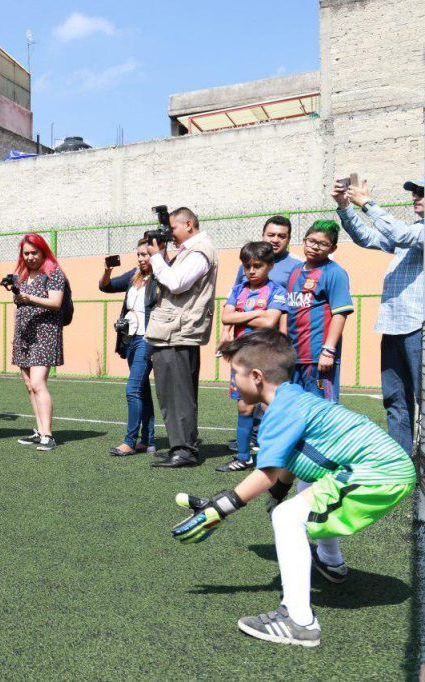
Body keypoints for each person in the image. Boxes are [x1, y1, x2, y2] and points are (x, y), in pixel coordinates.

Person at [173, 329, 415, 647]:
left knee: (288, 517)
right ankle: (330, 561)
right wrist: (277, 494)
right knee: (308, 486)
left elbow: (268, 472)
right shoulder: (294, 398)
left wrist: (217, 511)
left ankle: (299, 622)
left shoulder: (279, 411)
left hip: (380, 473)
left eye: (235, 374)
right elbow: (294, 459)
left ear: (257, 377)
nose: (231, 383)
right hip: (379, 467)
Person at [332, 177, 423, 455]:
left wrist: (367, 203)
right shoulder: (414, 228)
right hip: (396, 323)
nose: (416, 196)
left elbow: (401, 236)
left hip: (420, 326)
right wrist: (345, 206)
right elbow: (368, 238)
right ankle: (401, 463)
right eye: (415, 192)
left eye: (422, 192)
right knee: (395, 399)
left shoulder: (413, 233)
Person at [145, 207, 218, 468]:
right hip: (171, 331)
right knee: (170, 395)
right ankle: (180, 444)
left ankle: (185, 450)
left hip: (179, 332)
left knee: (179, 395)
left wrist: (156, 258)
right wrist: (162, 255)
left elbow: (176, 283)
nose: (169, 234)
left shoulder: (199, 251)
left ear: (188, 224)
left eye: (172, 228)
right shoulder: (189, 250)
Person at [217, 242, 287, 472]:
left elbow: (270, 322)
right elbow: (226, 317)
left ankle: (272, 457)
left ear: (270, 265)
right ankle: (244, 456)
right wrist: (258, 312)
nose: (252, 271)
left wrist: (240, 315)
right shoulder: (238, 289)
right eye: (247, 266)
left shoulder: (277, 291)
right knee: (244, 408)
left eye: (258, 266)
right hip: (241, 358)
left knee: (269, 407)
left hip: (266, 356)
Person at [2, 233, 64, 452]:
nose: (30, 257)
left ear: (43, 251)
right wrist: (18, 294)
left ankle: (48, 435)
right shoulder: (22, 274)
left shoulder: (53, 272)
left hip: (44, 333)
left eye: (34, 252)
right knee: (29, 385)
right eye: (26, 253)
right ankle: (39, 431)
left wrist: (29, 298)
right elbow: (20, 301)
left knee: (38, 383)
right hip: (24, 333)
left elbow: (56, 302)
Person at [99, 238, 159, 456]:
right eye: (139, 255)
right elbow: (105, 286)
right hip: (130, 339)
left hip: (147, 339)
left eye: (146, 254)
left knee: (132, 389)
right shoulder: (134, 275)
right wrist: (107, 270)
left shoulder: (161, 277)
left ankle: (130, 441)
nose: (142, 258)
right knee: (142, 389)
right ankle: (149, 440)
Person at [284, 221, 353, 403]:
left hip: (318, 359)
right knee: (295, 410)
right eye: (311, 241)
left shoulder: (334, 272)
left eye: (322, 243)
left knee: (321, 411)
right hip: (293, 357)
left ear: (333, 248)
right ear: (304, 241)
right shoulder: (295, 271)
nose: (315, 247)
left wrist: (328, 351)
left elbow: (340, 314)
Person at [231, 216, 301, 289]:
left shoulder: (298, 266)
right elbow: (235, 293)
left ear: (289, 239)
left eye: (281, 236)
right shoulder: (248, 263)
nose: (275, 240)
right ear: (263, 236)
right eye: (271, 235)